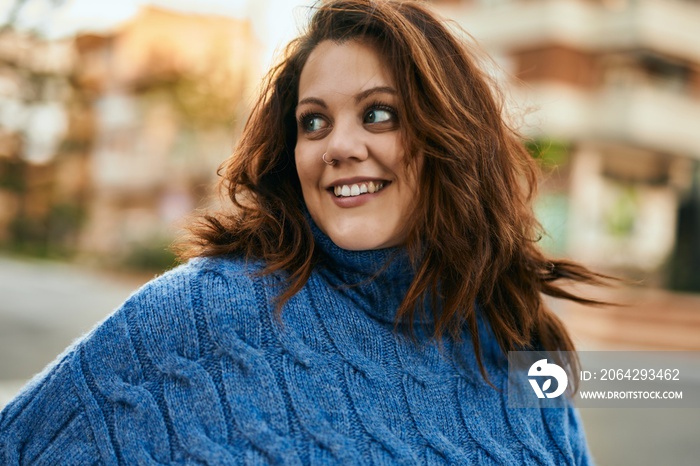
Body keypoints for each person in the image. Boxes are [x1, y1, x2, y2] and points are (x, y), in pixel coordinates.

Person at [0, 0, 608, 464]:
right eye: (313, 122)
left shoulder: (516, 346)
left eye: (378, 114)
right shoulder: (203, 312)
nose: (338, 146)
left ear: (450, 138)